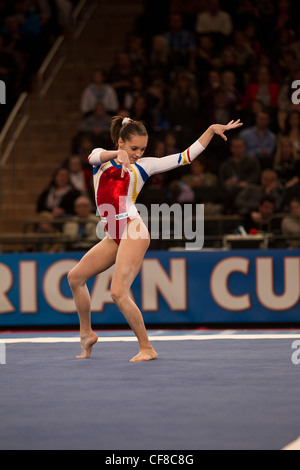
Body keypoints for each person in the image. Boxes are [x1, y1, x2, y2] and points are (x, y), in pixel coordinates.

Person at [67, 115, 242, 361]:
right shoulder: (103, 159)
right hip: (113, 235)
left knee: (117, 292)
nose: (138, 153)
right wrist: (117, 155)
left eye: (142, 149)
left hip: (133, 229)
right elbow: (92, 157)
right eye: (133, 148)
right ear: (120, 142)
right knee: (75, 277)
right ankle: (86, 334)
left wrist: (211, 130)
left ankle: (146, 347)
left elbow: (185, 156)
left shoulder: (145, 166)